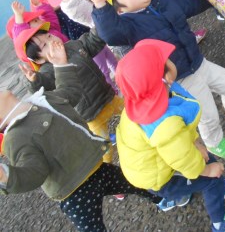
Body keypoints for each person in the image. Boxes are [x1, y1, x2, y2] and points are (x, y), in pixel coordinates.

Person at [87, 0, 225, 159]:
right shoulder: (128, 25)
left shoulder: (164, 2)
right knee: (207, 114)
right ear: (120, 10)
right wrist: (100, 4)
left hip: (199, 62)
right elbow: (110, 33)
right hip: (181, 77)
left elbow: (192, 3)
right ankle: (214, 143)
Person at [0, 38, 161, 232]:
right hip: (74, 192)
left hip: (96, 166)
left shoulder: (40, 100)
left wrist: (61, 64)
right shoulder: (15, 138)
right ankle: (161, 196)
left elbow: (70, 93)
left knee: (133, 183)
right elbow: (34, 172)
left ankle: (162, 198)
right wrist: (6, 176)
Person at [115, 39, 225, 232]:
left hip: (162, 158)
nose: (172, 59)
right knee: (210, 180)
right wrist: (206, 171)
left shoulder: (149, 97)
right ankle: (221, 223)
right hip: (160, 177)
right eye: (168, 59)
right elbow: (181, 158)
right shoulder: (163, 123)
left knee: (207, 159)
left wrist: (197, 144)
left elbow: (181, 134)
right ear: (165, 77)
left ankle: (220, 184)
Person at [13, 22, 123, 163]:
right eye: (44, 45)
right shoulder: (48, 70)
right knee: (105, 146)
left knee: (132, 117)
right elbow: (43, 88)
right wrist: (34, 81)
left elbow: (92, 41)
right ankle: (109, 166)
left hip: (108, 96)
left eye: (49, 36)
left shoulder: (74, 46)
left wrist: (100, 24)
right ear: (39, 59)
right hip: (91, 114)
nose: (51, 41)